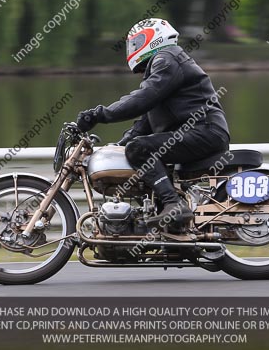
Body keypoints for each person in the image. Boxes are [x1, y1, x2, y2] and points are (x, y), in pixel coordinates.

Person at [76, 18, 230, 228]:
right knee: (135, 147)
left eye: (138, 42)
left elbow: (143, 98)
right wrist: (118, 147)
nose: (134, 48)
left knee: (139, 149)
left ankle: (172, 205)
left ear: (153, 38)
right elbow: (146, 121)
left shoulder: (167, 58)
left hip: (204, 130)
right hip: (202, 130)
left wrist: (99, 115)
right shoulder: (166, 62)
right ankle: (165, 218)